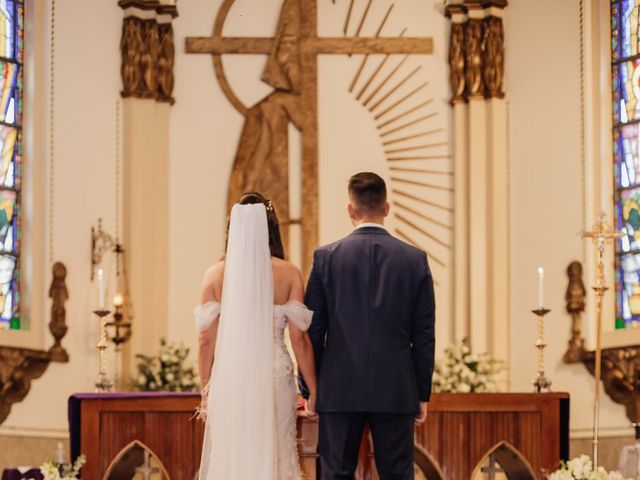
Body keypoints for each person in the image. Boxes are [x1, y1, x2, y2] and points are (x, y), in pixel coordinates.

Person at [303, 172, 436, 480]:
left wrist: (310, 386)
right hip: (396, 387)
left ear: (350, 210)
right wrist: (421, 391)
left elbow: (314, 328)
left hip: (338, 387)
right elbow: (424, 333)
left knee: (336, 474)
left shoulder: (325, 258)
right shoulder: (415, 260)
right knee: (397, 474)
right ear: (386, 208)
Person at [195, 192, 317, 480]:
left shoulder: (214, 276)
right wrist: (314, 389)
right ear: (272, 228)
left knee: (233, 451)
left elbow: (205, 341)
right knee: (278, 452)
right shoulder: (289, 274)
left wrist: (205, 390)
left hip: (231, 376)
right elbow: (300, 339)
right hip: (274, 375)